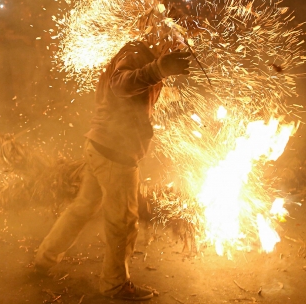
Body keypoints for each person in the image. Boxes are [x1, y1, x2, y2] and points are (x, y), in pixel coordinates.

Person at [34, 41, 191, 301]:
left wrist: (161, 76)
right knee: (123, 223)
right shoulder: (136, 54)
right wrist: (159, 70)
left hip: (100, 146)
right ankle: (115, 284)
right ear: (158, 36)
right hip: (115, 154)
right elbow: (121, 84)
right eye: (171, 42)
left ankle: (44, 257)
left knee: (83, 207)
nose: (174, 47)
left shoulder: (142, 54)